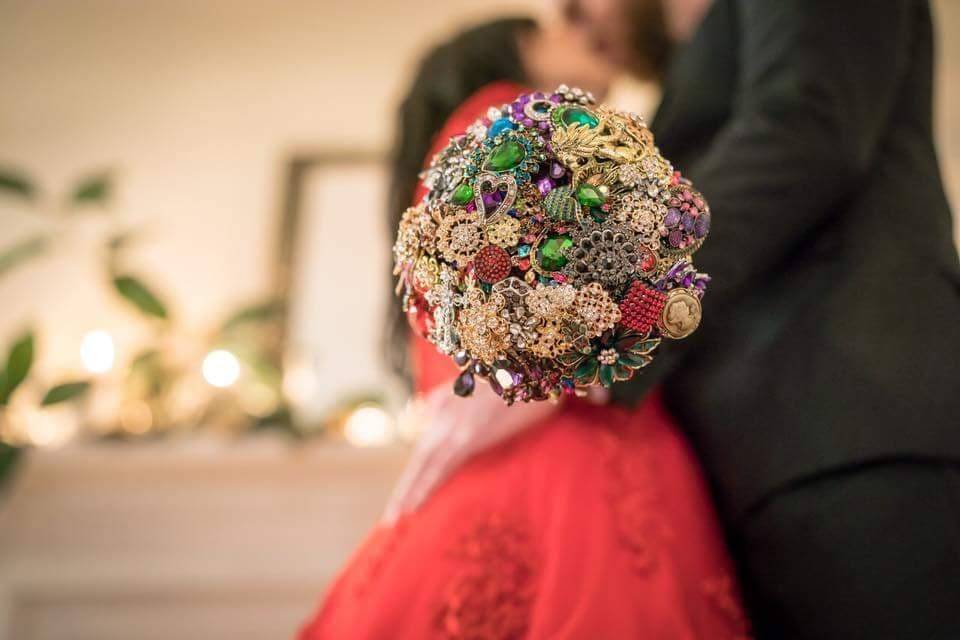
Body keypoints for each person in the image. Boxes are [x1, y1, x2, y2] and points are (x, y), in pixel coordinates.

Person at [393, 1, 960, 638]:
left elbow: (803, 126)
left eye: (582, 6)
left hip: (844, 427)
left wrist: (589, 340)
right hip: (763, 464)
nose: (585, 25)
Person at [297, 15, 752, 640]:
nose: (582, 22)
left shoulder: (450, 180)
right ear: (508, 53)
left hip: (510, 462)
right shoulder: (507, 120)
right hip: (572, 465)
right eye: (555, 24)